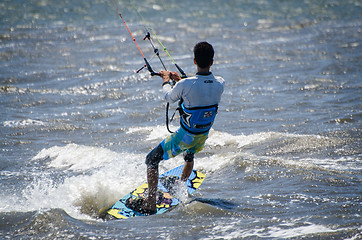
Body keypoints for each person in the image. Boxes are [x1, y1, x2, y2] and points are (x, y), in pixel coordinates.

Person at [141, 41, 225, 214]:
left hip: (185, 136)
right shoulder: (220, 83)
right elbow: (200, 90)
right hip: (201, 136)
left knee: (151, 160)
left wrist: (166, 79)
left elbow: (168, 97)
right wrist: (181, 81)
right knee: (189, 154)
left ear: (194, 61)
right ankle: (181, 184)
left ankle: (150, 202)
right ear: (212, 62)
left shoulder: (185, 86)